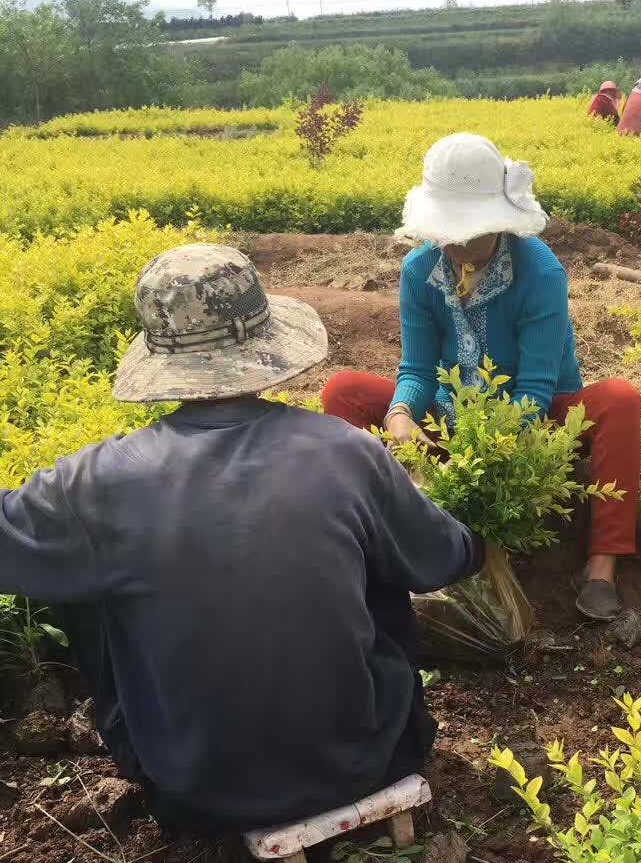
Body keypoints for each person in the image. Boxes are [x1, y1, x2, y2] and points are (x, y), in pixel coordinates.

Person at [0, 244, 482, 832]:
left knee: (78, 576)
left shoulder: (92, 484)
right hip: (371, 759)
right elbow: (444, 558)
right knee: (379, 559)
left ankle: (184, 740)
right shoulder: (345, 451)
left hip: (194, 794)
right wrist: (479, 541)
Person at [322, 133, 641, 622]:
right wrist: (403, 413)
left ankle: (601, 569)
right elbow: (416, 368)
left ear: (499, 222)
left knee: (619, 399)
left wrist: (485, 448)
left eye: (467, 232)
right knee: (343, 391)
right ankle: (367, 546)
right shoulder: (419, 271)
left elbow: (536, 388)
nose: (455, 245)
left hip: (534, 424)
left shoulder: (541, 274)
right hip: (451, 416)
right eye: (446, 232)